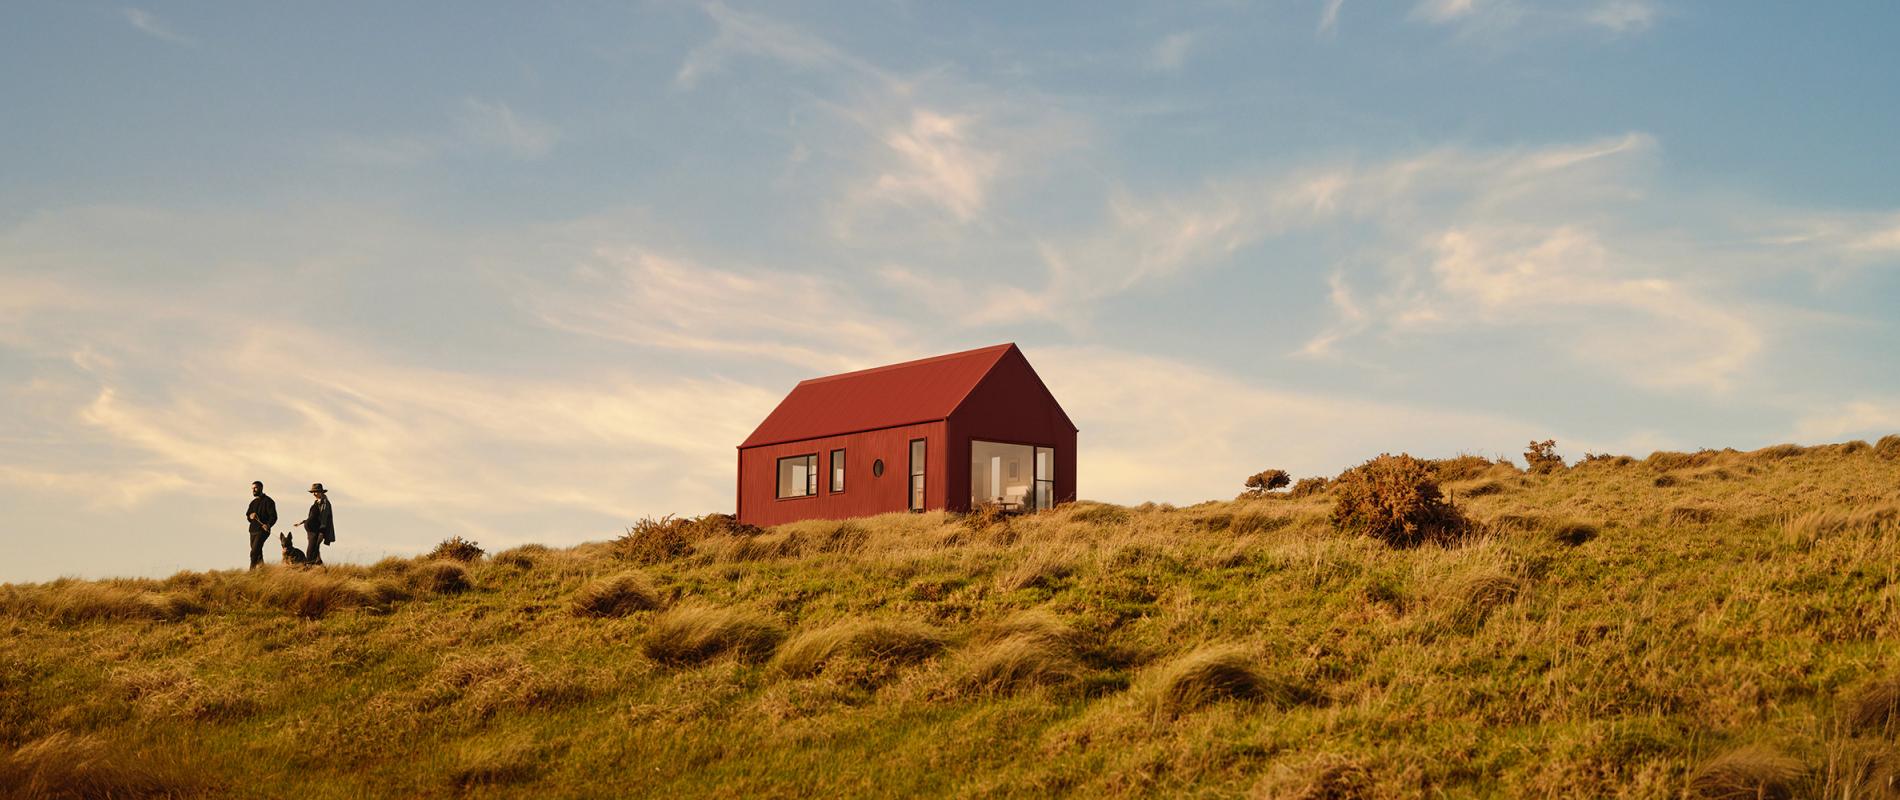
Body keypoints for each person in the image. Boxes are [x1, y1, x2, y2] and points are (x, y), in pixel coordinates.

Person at [294, 483, 335, 566]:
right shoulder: (317, 502)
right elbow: (313, 517)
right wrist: (303, 522)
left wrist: (321, 532)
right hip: (311, 531)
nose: (314, 494)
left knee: (311, 550)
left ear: (321, 492)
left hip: (317, 531)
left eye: (316, 492)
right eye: (313, 492)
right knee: (314, 550)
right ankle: (321, 568)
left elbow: (324, 519)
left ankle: (309, 566)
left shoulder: (325, 503)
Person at [245, 481, 278, 569]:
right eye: (252, 488)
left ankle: (251, 571)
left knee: (254, 552)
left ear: (261, 488)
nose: (253, 490)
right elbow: (248, 515)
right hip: (253, 531)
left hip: (263, 531)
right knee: (258, 553)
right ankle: (264, 570)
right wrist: (250, 516)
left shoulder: (269, 501)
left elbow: (274, 517)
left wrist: (268, 525)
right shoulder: (253, 502)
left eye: (255, 488)